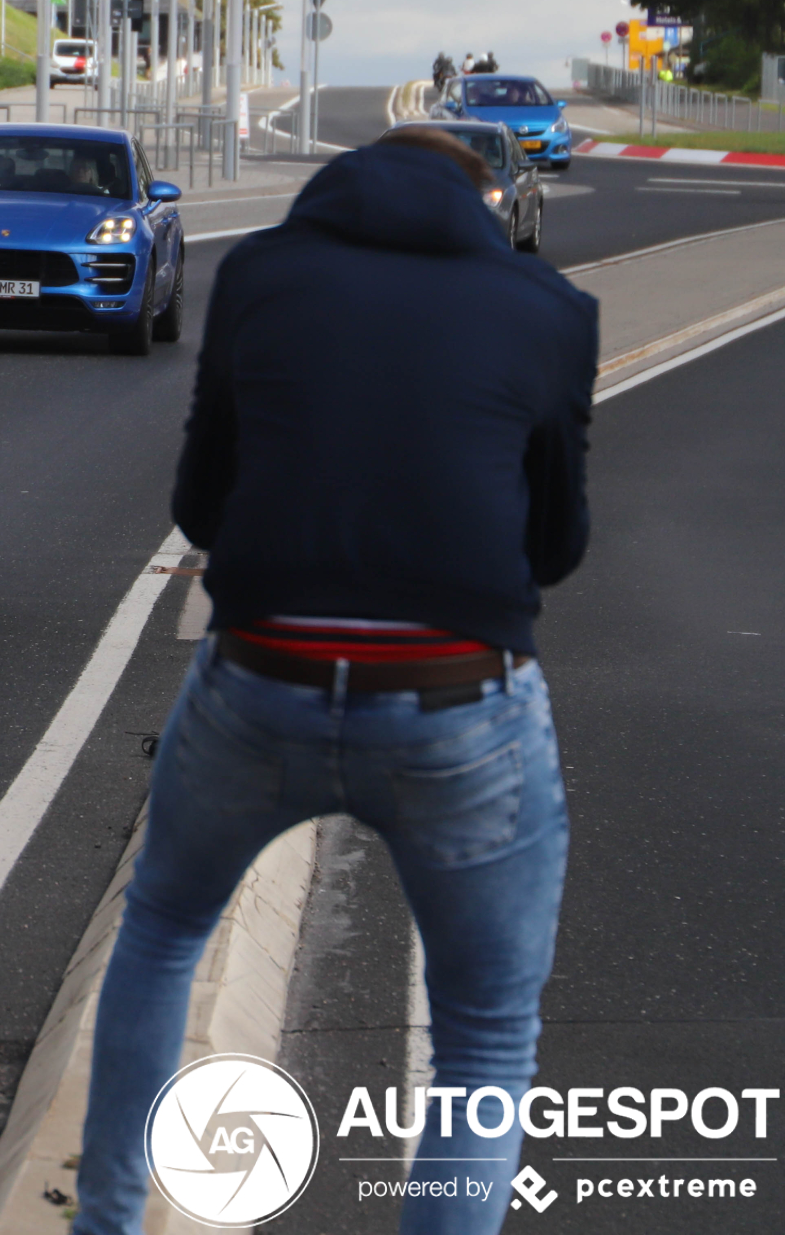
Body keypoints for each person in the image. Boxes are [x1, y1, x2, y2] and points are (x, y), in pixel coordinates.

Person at [72, 125, 597, 1235]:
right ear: (485, 200)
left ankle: (106, 1220)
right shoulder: (548, 310)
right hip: (458, 691)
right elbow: (553, 547)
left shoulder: (259, 274)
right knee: (483, 1034)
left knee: (163, 928)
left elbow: (201, 502)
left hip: (262, 672)